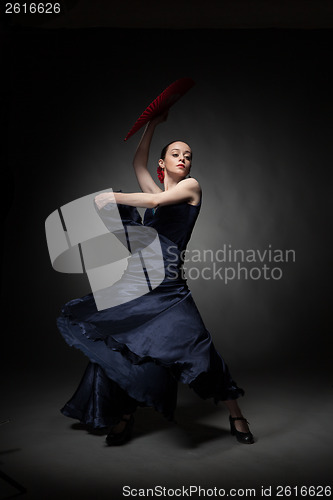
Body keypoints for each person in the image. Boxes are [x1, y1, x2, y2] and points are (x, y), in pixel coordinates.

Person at [56, 111, 254, 445]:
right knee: (127, 348)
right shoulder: (158, 190)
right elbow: (138, 165)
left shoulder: (191, 187)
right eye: (176, 154)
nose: (184, 159)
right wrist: (152, 126)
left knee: (199, 350)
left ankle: (237, 415)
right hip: (140, 286)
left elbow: (153, 199)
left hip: (171, 289)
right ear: (163, 164)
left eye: (188, 156)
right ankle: (124, 416)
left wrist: (112, 197)